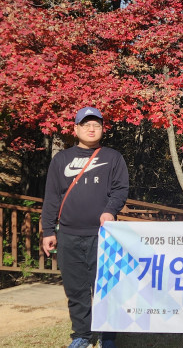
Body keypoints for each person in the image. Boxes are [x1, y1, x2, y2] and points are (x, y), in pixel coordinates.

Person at [42, 107, 129, 348]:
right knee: (76, 291)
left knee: (106, 289)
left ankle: (107, 336)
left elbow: (120, 189)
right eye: (86, 124)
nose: (92, 129)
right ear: (76, 129)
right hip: (68, 235)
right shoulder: (61, 159)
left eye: (97, 125)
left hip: (103, 236)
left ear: (102, 129)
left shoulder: (113, 157)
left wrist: (110, 210)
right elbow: (52, 197)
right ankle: (81, 335)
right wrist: (48, 231)